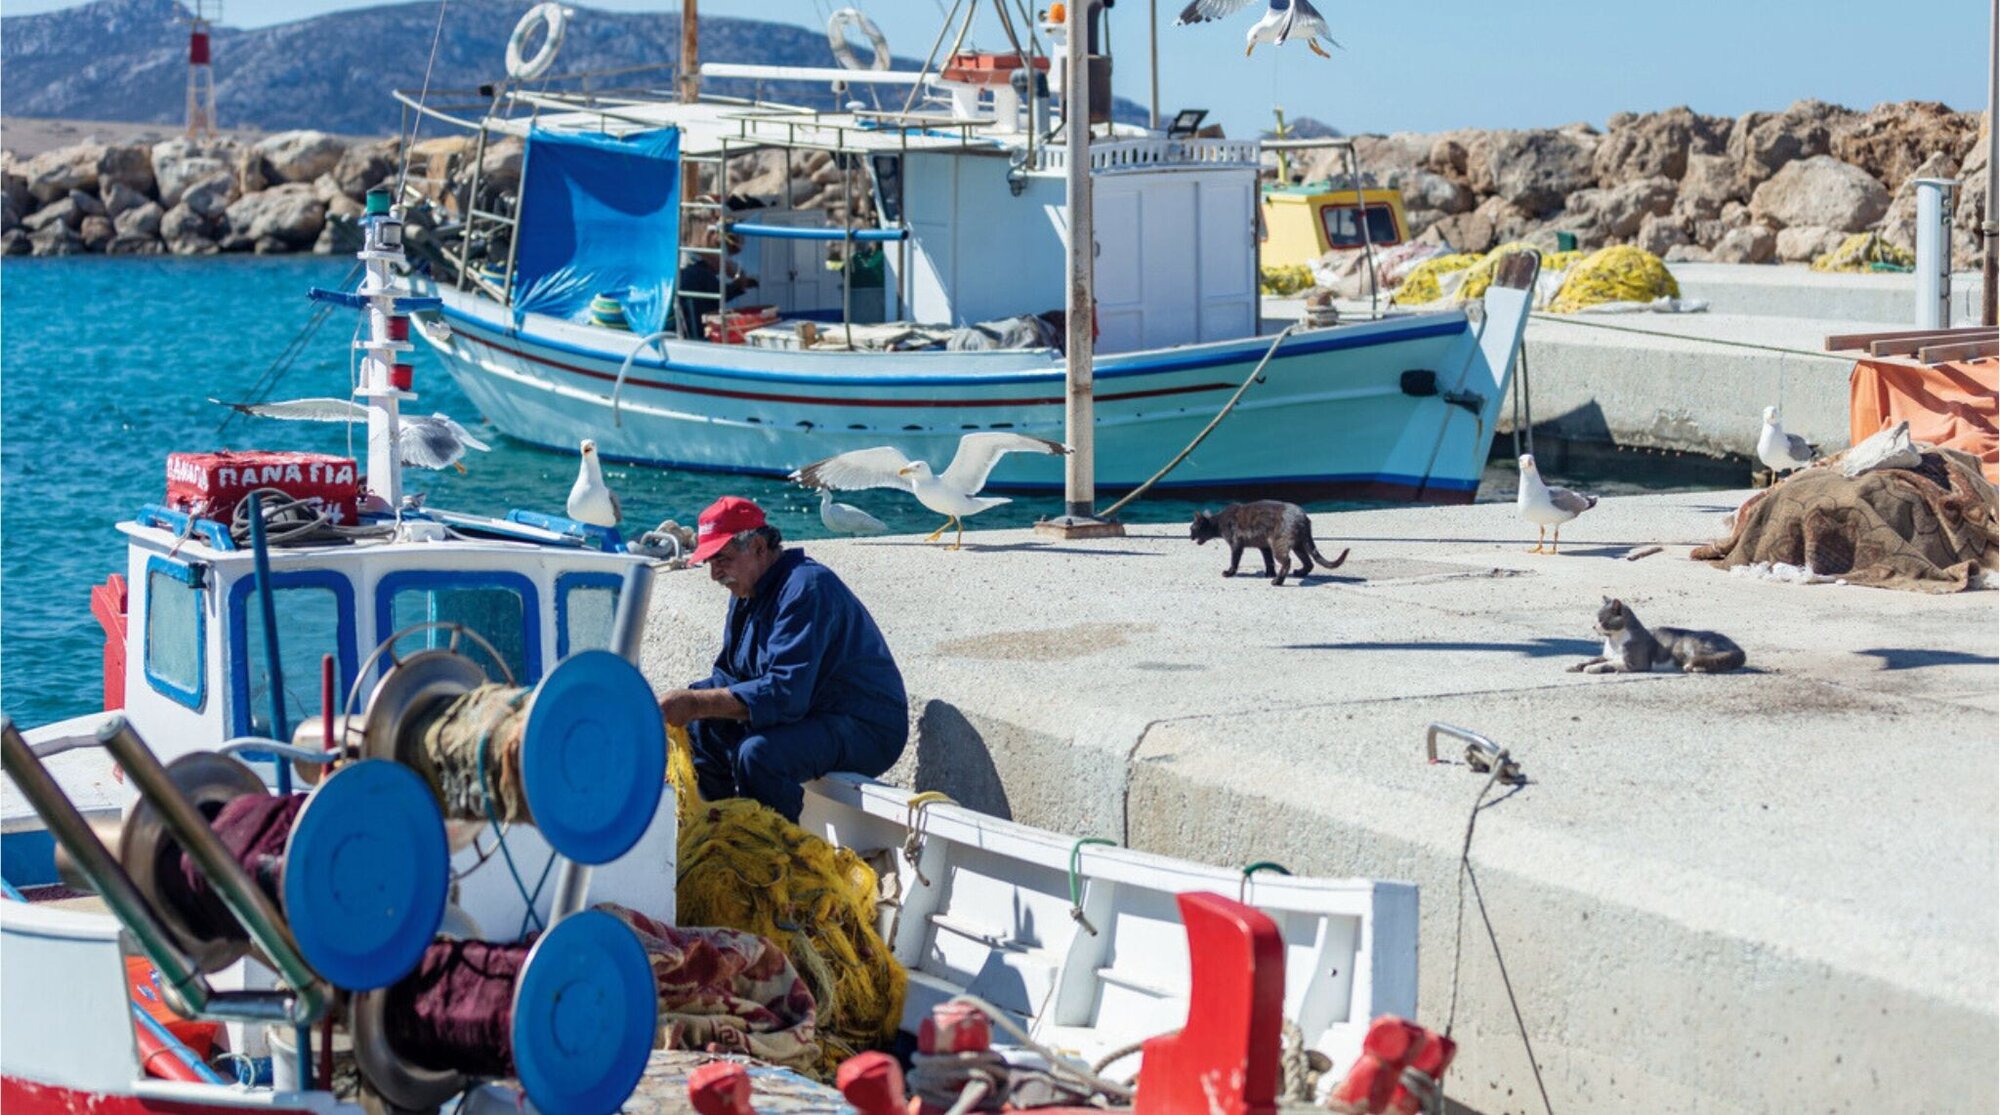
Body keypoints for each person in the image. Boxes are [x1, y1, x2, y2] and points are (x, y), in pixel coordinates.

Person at [657, 496, 908, 822]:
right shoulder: (746, 591)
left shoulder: (806, 588)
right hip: (810, 712)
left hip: (864, 724)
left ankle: (773, 858)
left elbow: (785, 694)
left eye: (723, 559)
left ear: (759, 548)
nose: (715, 574)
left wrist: (694, 702)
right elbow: (729, 675)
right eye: (710, 563)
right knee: (700, 730)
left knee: (760, 755)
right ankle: (716, 831)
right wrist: (679, 703)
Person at [676, 226, 758, 338]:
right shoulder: (702, 272)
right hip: (696, 326)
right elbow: (720, 294)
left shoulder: (693, 264)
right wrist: (738, 286)